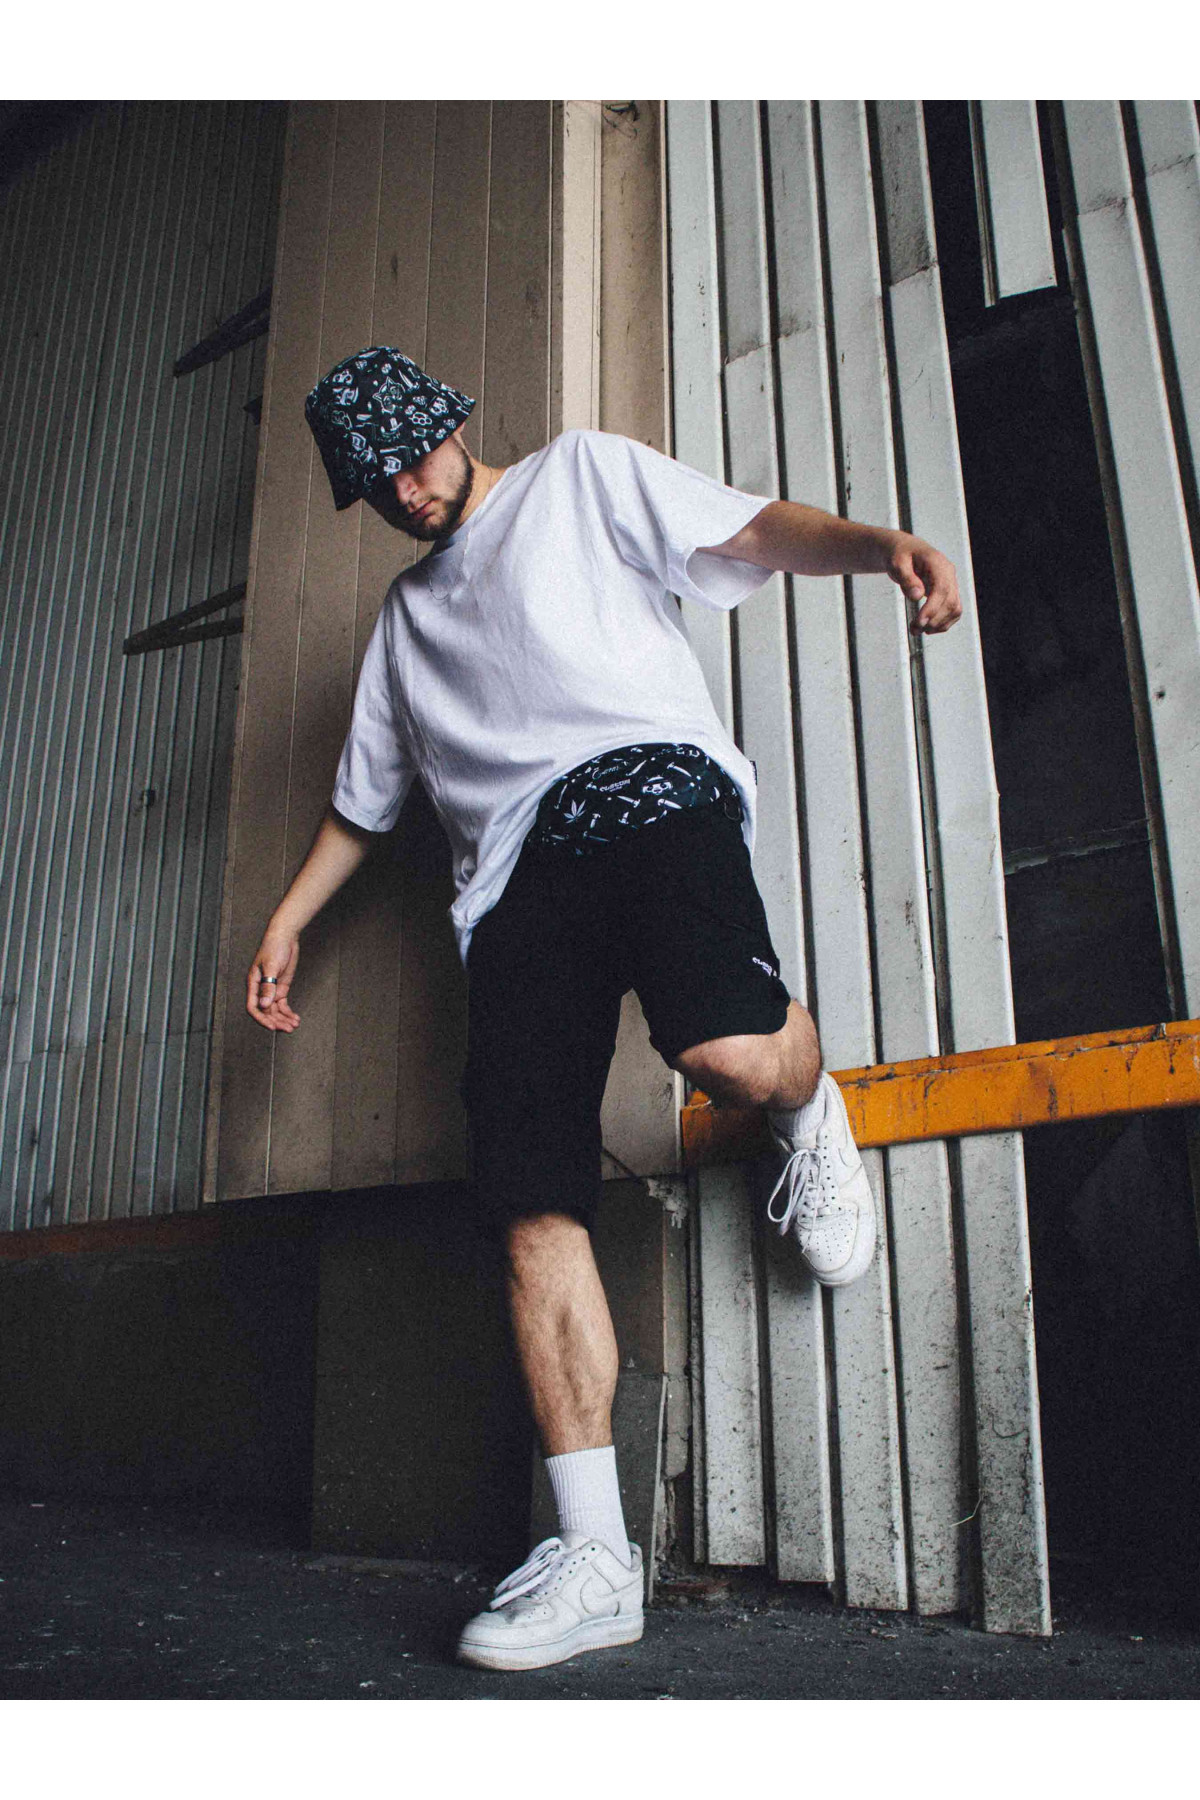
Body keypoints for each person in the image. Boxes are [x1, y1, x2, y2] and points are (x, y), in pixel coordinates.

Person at [247, 347, 962, 1673]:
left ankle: (807, 1107)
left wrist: (880, 547)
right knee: (530, 1201)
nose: (404, 493)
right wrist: (290, 920)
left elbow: (747, 528)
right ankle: (595, 1559)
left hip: (645, 784)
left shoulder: (577, 476)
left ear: (453, 420)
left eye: (412, 459)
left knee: (724, 1048)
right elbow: (364, 804)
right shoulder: (404, 625)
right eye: (374, 484)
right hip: (512, 885)